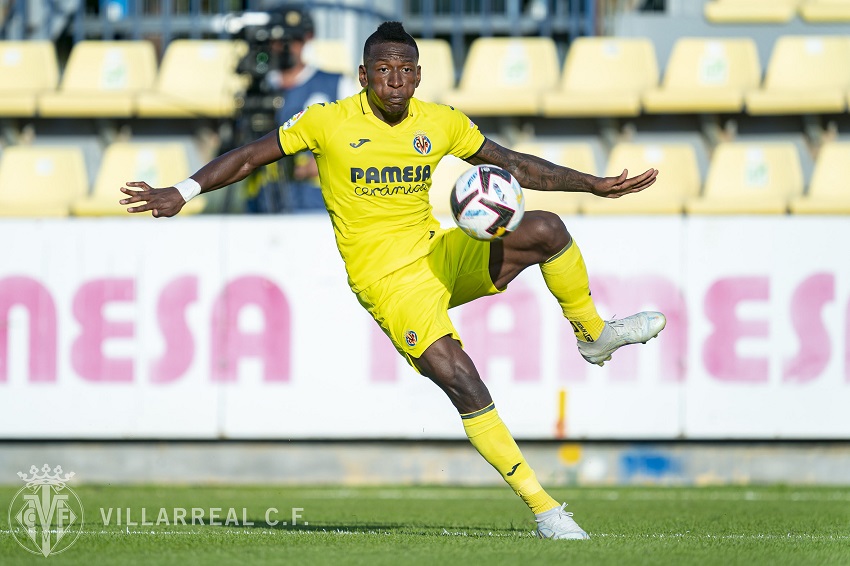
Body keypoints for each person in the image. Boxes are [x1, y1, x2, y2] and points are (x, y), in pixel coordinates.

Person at [120, 21, 666, 540]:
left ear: (419, 75)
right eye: (383, 70)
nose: (395, 81)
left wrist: (593, 184)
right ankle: (545, 510)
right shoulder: (326, 122)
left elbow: (512, 165)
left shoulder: (440, 121)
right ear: (363, 76)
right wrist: (183, 191)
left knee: (546, 228)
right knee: (464, 381)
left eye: (406, 70)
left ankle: (592, 334)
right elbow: (247, 158)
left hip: (438, 253)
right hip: (389, 283)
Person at [246, 8, 358, 212]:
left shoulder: (337, 84)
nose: (287, 47)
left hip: (320, 210)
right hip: (264, 208)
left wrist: (322, 164)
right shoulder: (258, 88)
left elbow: (361, 141)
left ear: (308, 38)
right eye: (279, 39)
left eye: (295, 39)